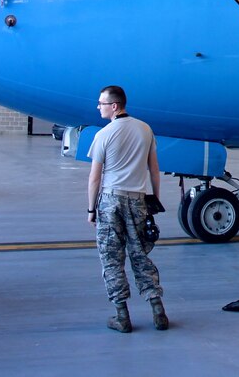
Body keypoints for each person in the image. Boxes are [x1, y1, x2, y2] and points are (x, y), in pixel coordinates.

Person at [87, 85, 168, 333]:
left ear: (114, 105)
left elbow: (94, 178)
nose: (98, 107)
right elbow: (154, 169)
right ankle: (158, 311)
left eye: (101, 103)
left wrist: (91, 209)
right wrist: (155, 198)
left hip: (111, 202)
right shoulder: (145, 129)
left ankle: (122, 316)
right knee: (140, 255)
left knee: (112, 259)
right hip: (138, 200)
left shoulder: (104, 134)